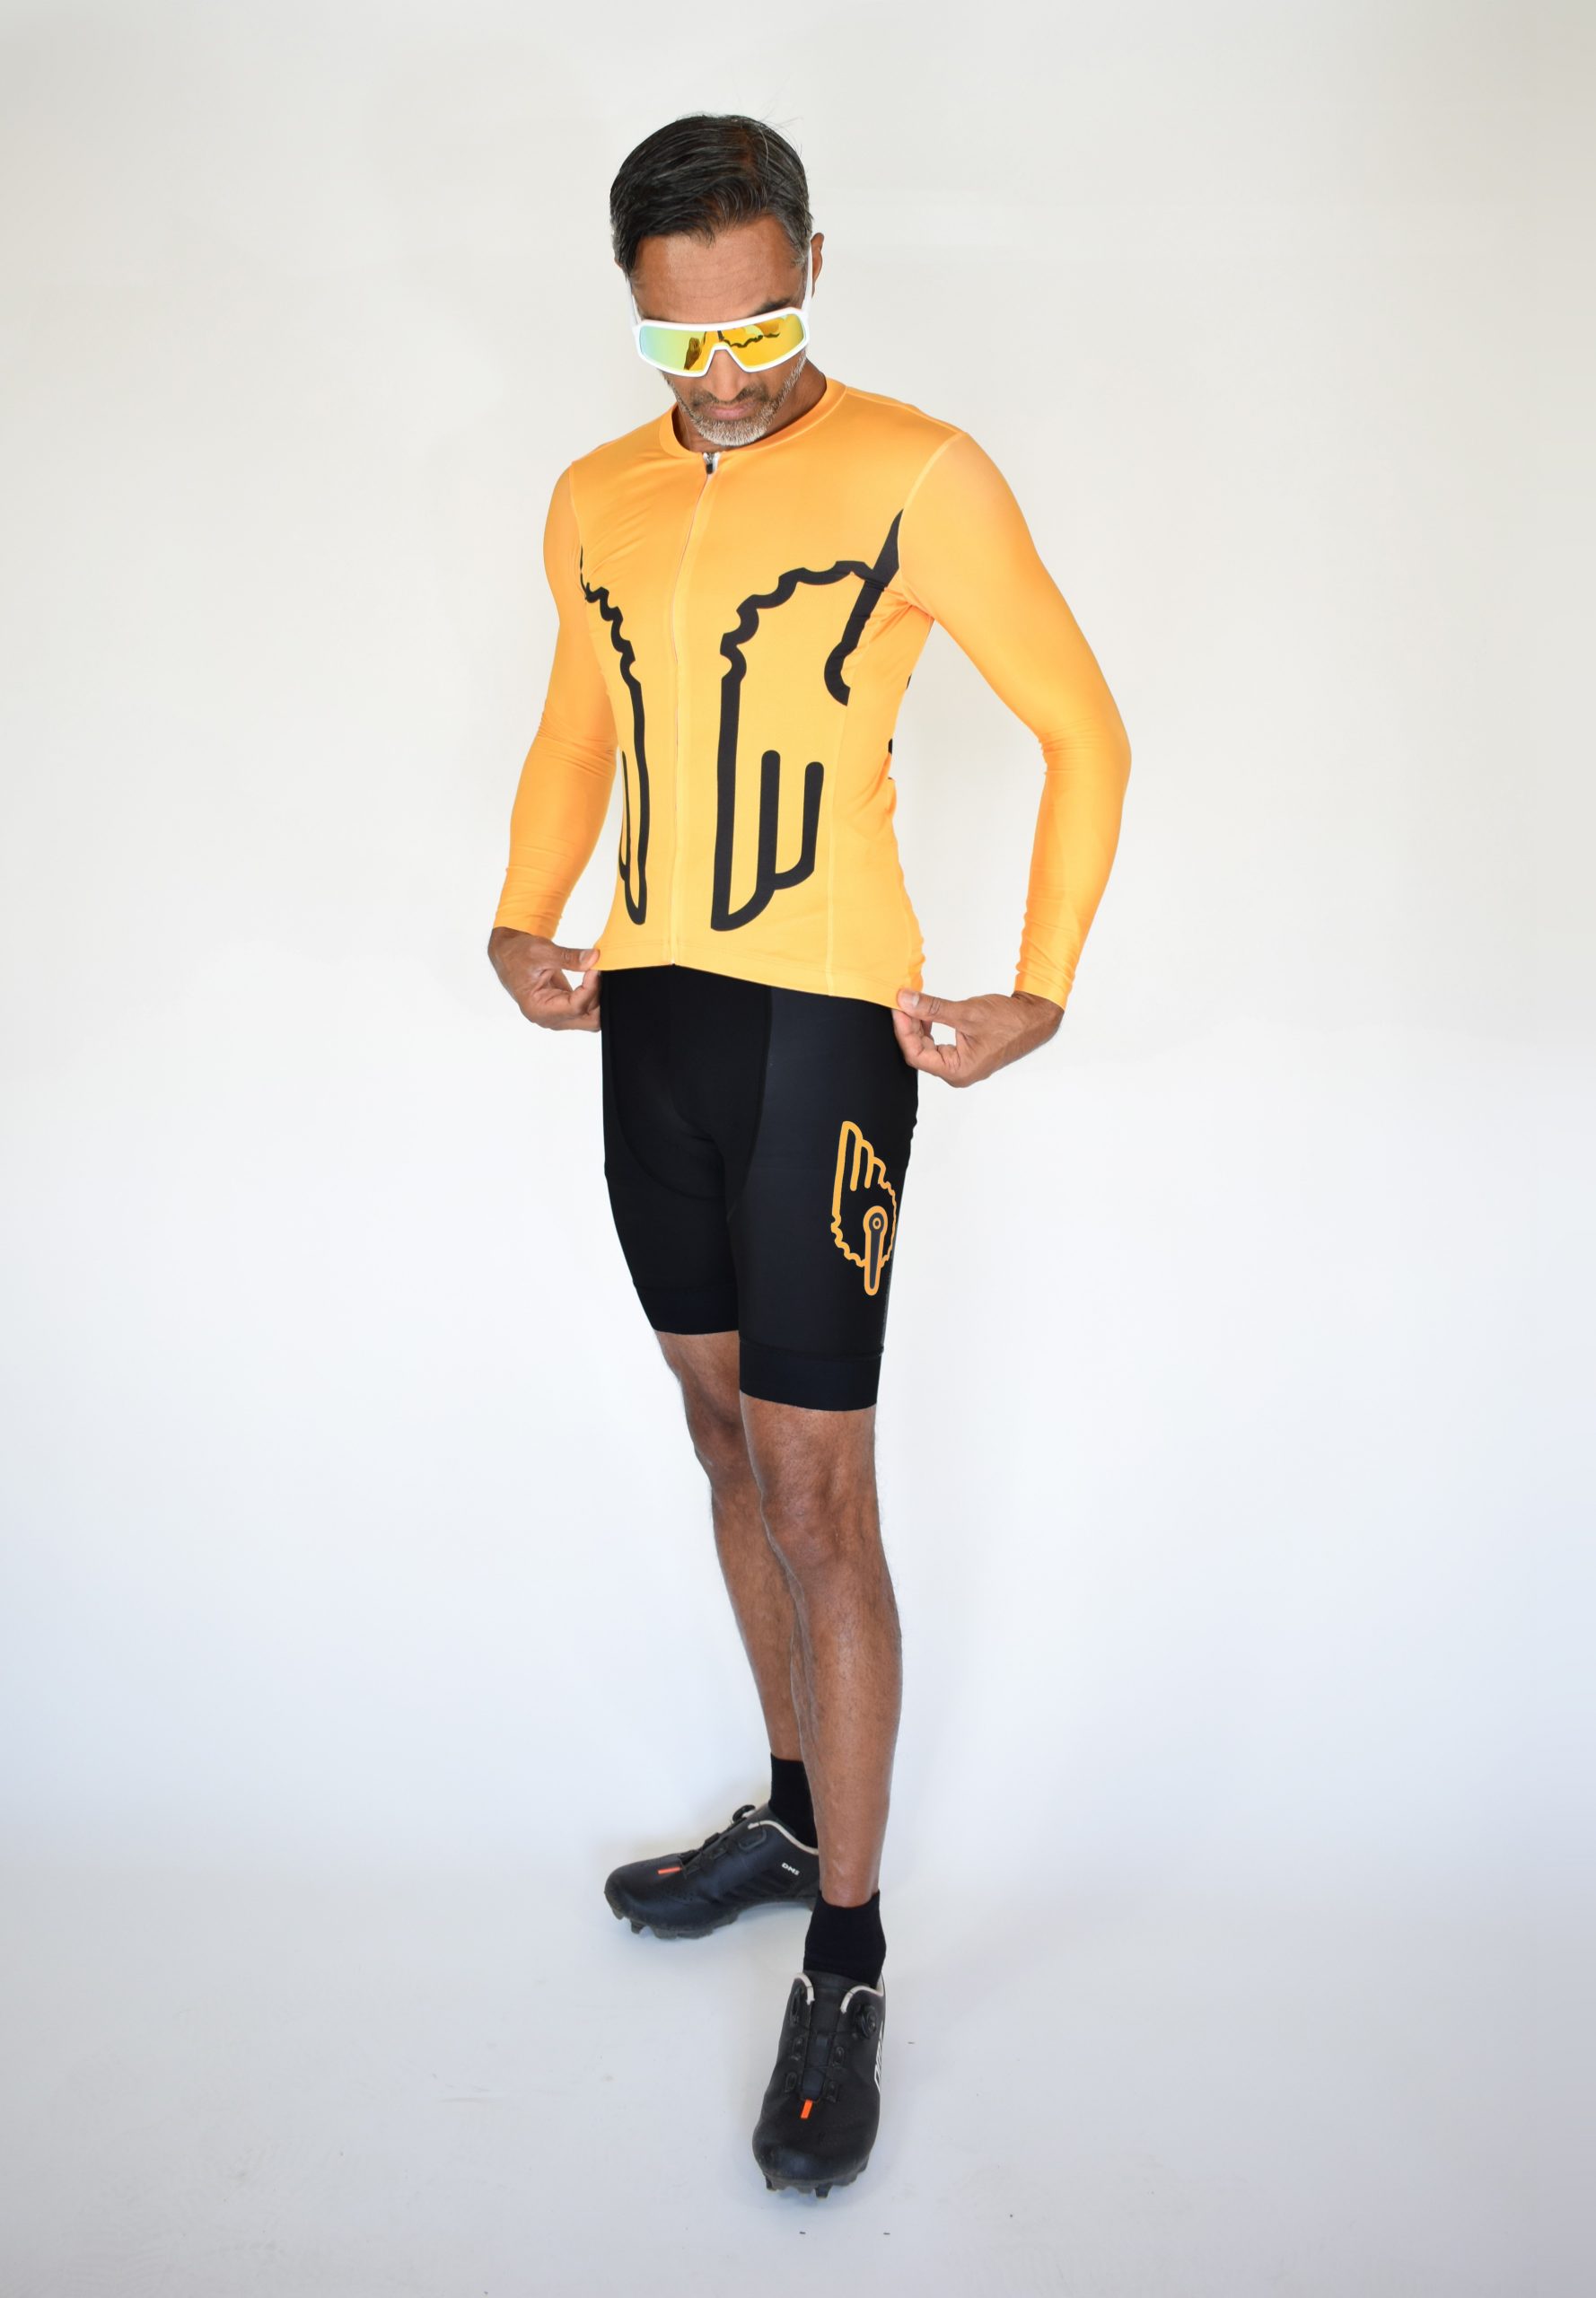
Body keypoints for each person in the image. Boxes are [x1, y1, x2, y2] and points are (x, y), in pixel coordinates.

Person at [487, 113, 1132, 2198]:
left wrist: (1041, 980)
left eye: (760, 325)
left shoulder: (917, 470)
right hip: (651, 1021)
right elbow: (579, 723)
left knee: (816, 1492)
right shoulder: (594, 494)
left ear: (815, 267)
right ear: (634, 311)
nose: (727, 375)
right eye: (681, 340)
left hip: (823, 1034)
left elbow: (1085, 726)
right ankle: (788, 1813)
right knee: (716, 1439)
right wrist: (520, 910)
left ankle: (846, 1954)